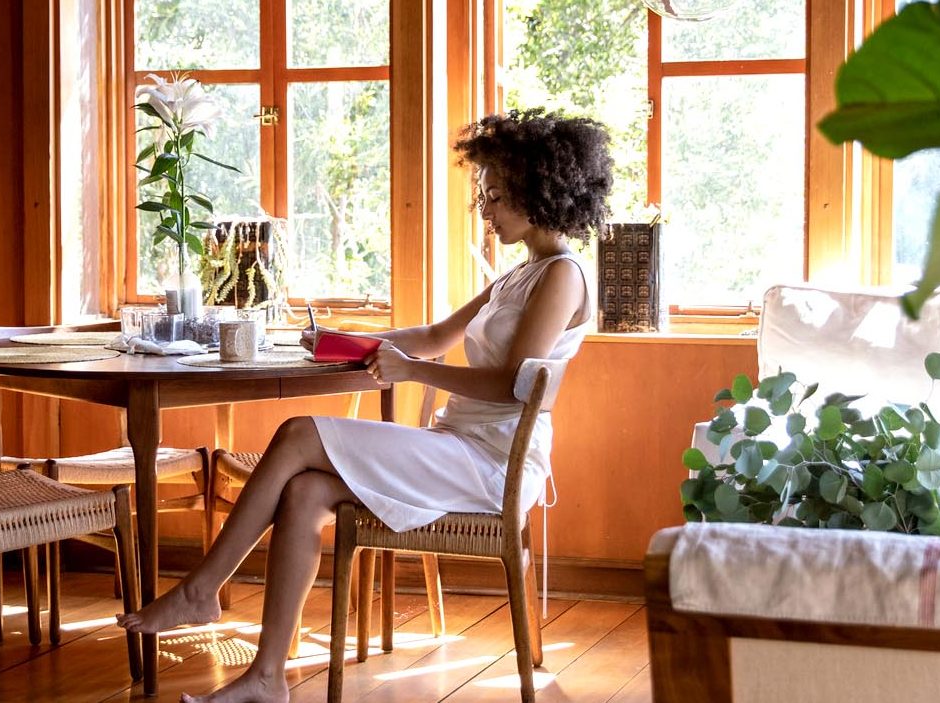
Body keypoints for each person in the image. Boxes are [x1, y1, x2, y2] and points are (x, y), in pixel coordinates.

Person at [115, 109, 613, 703]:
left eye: (497, 196)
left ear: (538, 193)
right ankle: (267, 678)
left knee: (298, 432)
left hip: (493, 463)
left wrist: (411, 372)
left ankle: (202, 589)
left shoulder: (563, 276)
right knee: (304, 493)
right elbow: (429, 336)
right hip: (456, 447)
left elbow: (511, 385)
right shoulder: (519, 274)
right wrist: (337, 341)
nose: (485, 209)